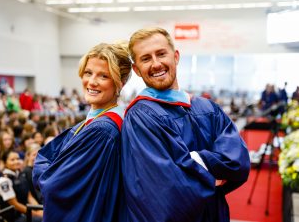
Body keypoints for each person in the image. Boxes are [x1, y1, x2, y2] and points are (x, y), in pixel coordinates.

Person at [121, 27, 250, 222]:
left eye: (161, 54)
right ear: (137, 69)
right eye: (146, 59)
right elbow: (165, 191)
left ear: (176, 57)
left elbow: (238, 163)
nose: (156, 64)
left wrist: (195, 161)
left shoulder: (207, 108)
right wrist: (214, 171)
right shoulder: (140, 117)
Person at [33, 42, 132, 222]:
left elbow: (53, 183)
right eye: (88, 73)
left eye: (103, 76)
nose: (92, 82)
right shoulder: (92, 123)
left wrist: (46, 170)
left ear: (121, 83)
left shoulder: (101, 131)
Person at [0, 149, 43, 222]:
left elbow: (29, 197)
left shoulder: (21, 175)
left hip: (26, 212)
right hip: (14, 217)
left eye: (17, 159)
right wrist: (36, 214)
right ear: (5, 162)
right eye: (12, 160)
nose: (16, 161)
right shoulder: (4, 181)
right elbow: (15, 205)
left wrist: (39, 209)